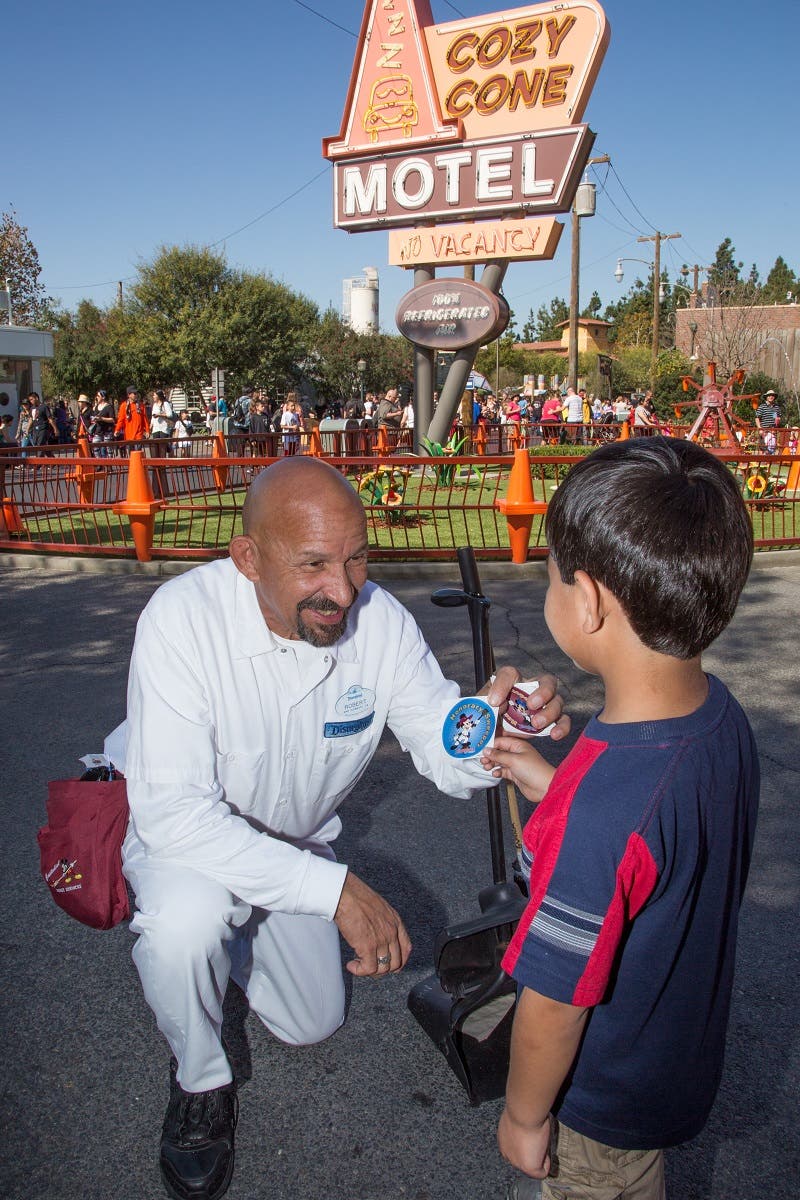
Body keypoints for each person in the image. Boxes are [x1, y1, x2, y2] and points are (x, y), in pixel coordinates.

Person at [103, 456, 569, 1200]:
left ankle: (227, 952)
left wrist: (495, 731)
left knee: (310, 1023)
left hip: (292, 841)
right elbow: (176, 817)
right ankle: (197, 1076)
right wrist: (337, 891)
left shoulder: (377, 620)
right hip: (183, 843)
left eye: (356, 559)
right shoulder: (181, 619)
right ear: (248, 558)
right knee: (185, 926)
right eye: (314, 564)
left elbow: (439, 744)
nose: (343, 590)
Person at [484, 437, 759, 1200]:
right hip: (672, 1056)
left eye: (551, 574)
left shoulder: (606, 812)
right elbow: (652, 851)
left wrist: (524, 1115)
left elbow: (555, 1003)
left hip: (600, 1106)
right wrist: (555, 784)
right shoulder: (720, 719)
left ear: (591, 599)